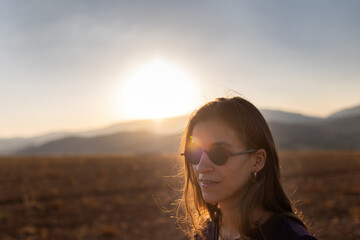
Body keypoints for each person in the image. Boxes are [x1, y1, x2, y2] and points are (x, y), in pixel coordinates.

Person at [177, 96, 317, 240]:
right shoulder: (204, 235)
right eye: (194, 153)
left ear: (257, 160)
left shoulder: (291, 237)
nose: (201, 166)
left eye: (219, 154)